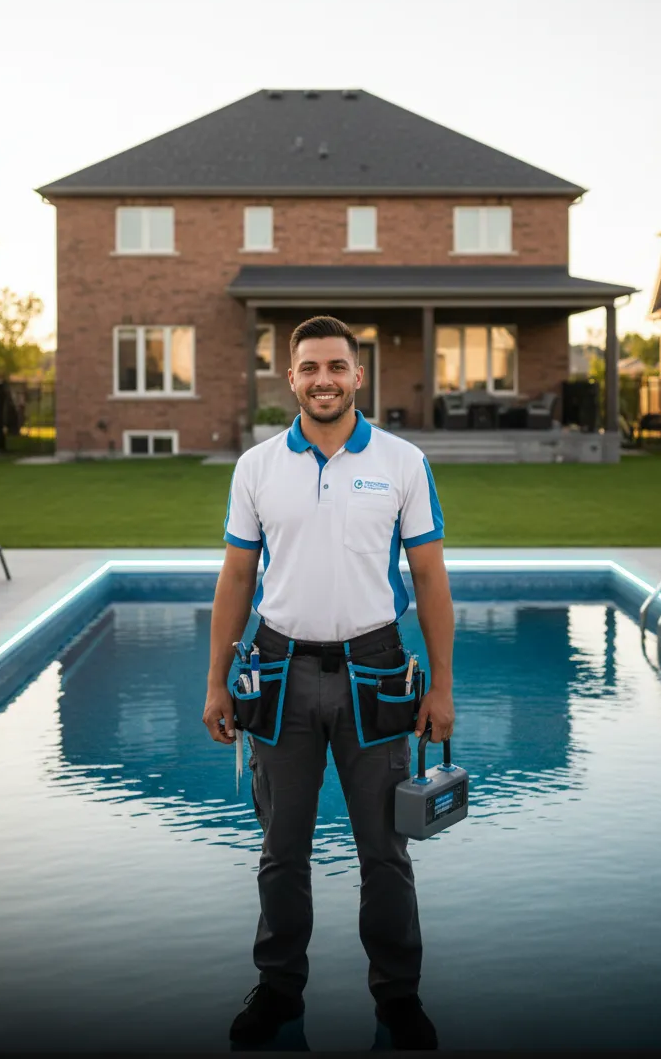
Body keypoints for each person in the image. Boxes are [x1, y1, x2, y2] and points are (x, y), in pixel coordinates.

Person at [202, 315, 455, 1050]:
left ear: (357, 374)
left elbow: (430, 577)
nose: (324, 379)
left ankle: (398, 995)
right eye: (309, 367)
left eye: (337, 367)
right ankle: (279, 989)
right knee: (282, 848)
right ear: (291, 378)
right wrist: (217, 681)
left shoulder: (404, 461)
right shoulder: (257, 467)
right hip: (277, 671)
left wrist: (440, 686)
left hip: (377, 670)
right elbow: (237, 576)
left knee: (385, 849)